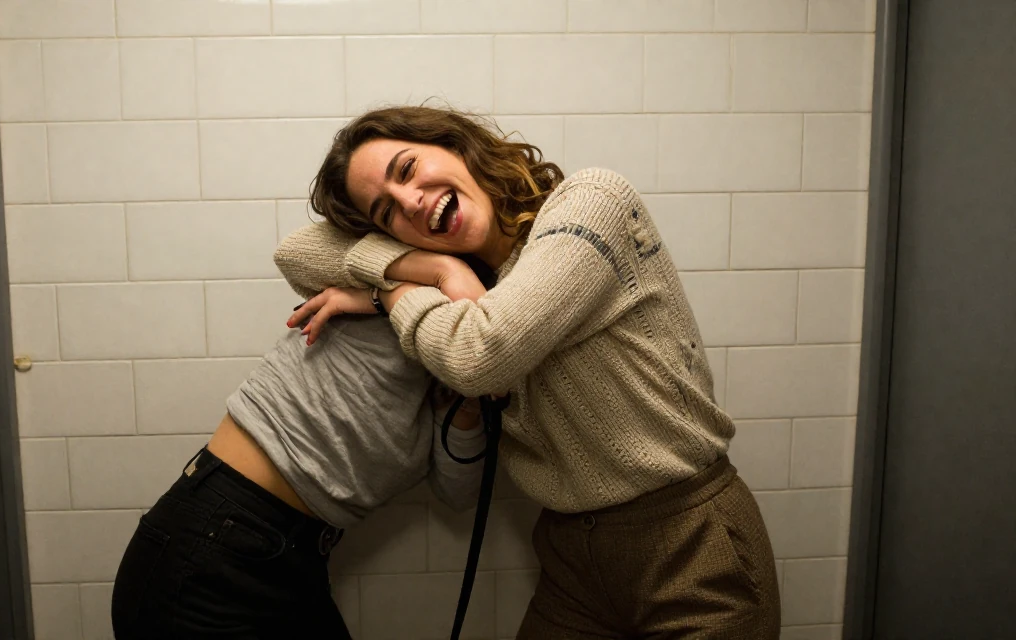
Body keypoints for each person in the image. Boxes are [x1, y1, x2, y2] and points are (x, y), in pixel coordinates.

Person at [276, 105, 781, 638]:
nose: (411, 201)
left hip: (691, 544)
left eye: (407, 169)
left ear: (455, 144)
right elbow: (296, 254)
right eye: (386, 214)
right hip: (572, 559)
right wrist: (434, 267)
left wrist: (388, 290)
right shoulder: (472, 283)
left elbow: (480, 356)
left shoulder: (592, 204)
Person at [110, 314, 485, 639]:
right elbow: (300, 254)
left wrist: (468, 405)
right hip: (211, 554)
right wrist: (401, 286)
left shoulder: (452, 363)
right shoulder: (380, 279)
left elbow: (458, 492)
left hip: (292, 559)